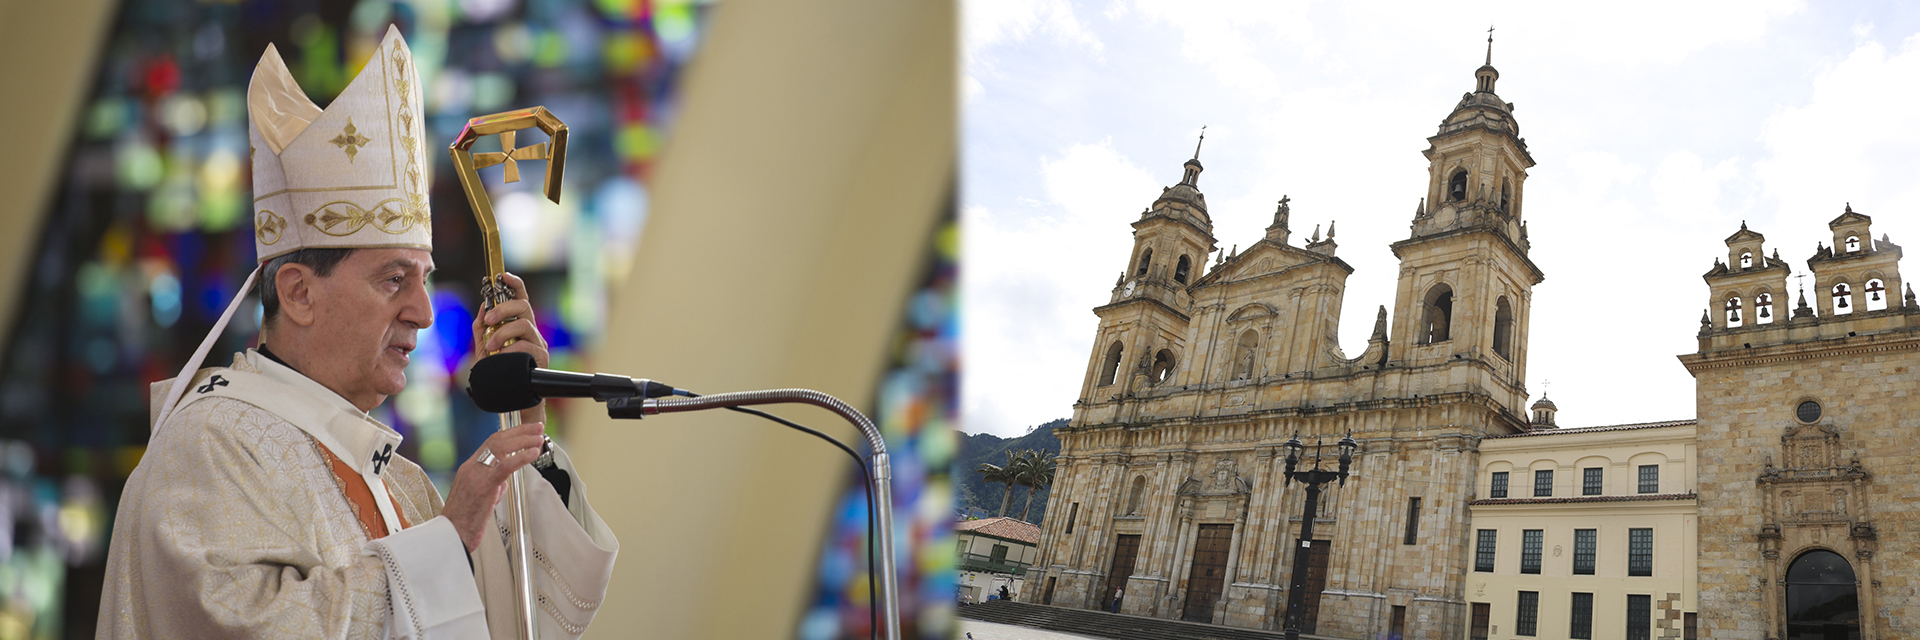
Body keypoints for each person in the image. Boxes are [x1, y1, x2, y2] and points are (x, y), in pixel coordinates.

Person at [97, 26, 617, 639]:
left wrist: (526, 433)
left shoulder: (399, 480)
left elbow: (511, 623)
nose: (424, 312)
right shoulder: (210, 446)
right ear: (298, 293)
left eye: (424, 278)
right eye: (393, 279)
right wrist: (447, 540)